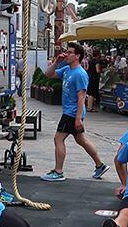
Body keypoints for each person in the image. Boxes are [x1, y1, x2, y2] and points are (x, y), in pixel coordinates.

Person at [40, 42, 109, 182]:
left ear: (77, 56)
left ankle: (58, 171)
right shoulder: (66, 69)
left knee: (58, 138)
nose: (66, 54)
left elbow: (81, 97)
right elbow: (48, 74)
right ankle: (100, 165)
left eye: (70, 52)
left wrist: (78, 118)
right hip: (70, 111)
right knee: (81, 139)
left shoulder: (80, 74)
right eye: (67, 51)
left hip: (72, 112)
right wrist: (56, 61)